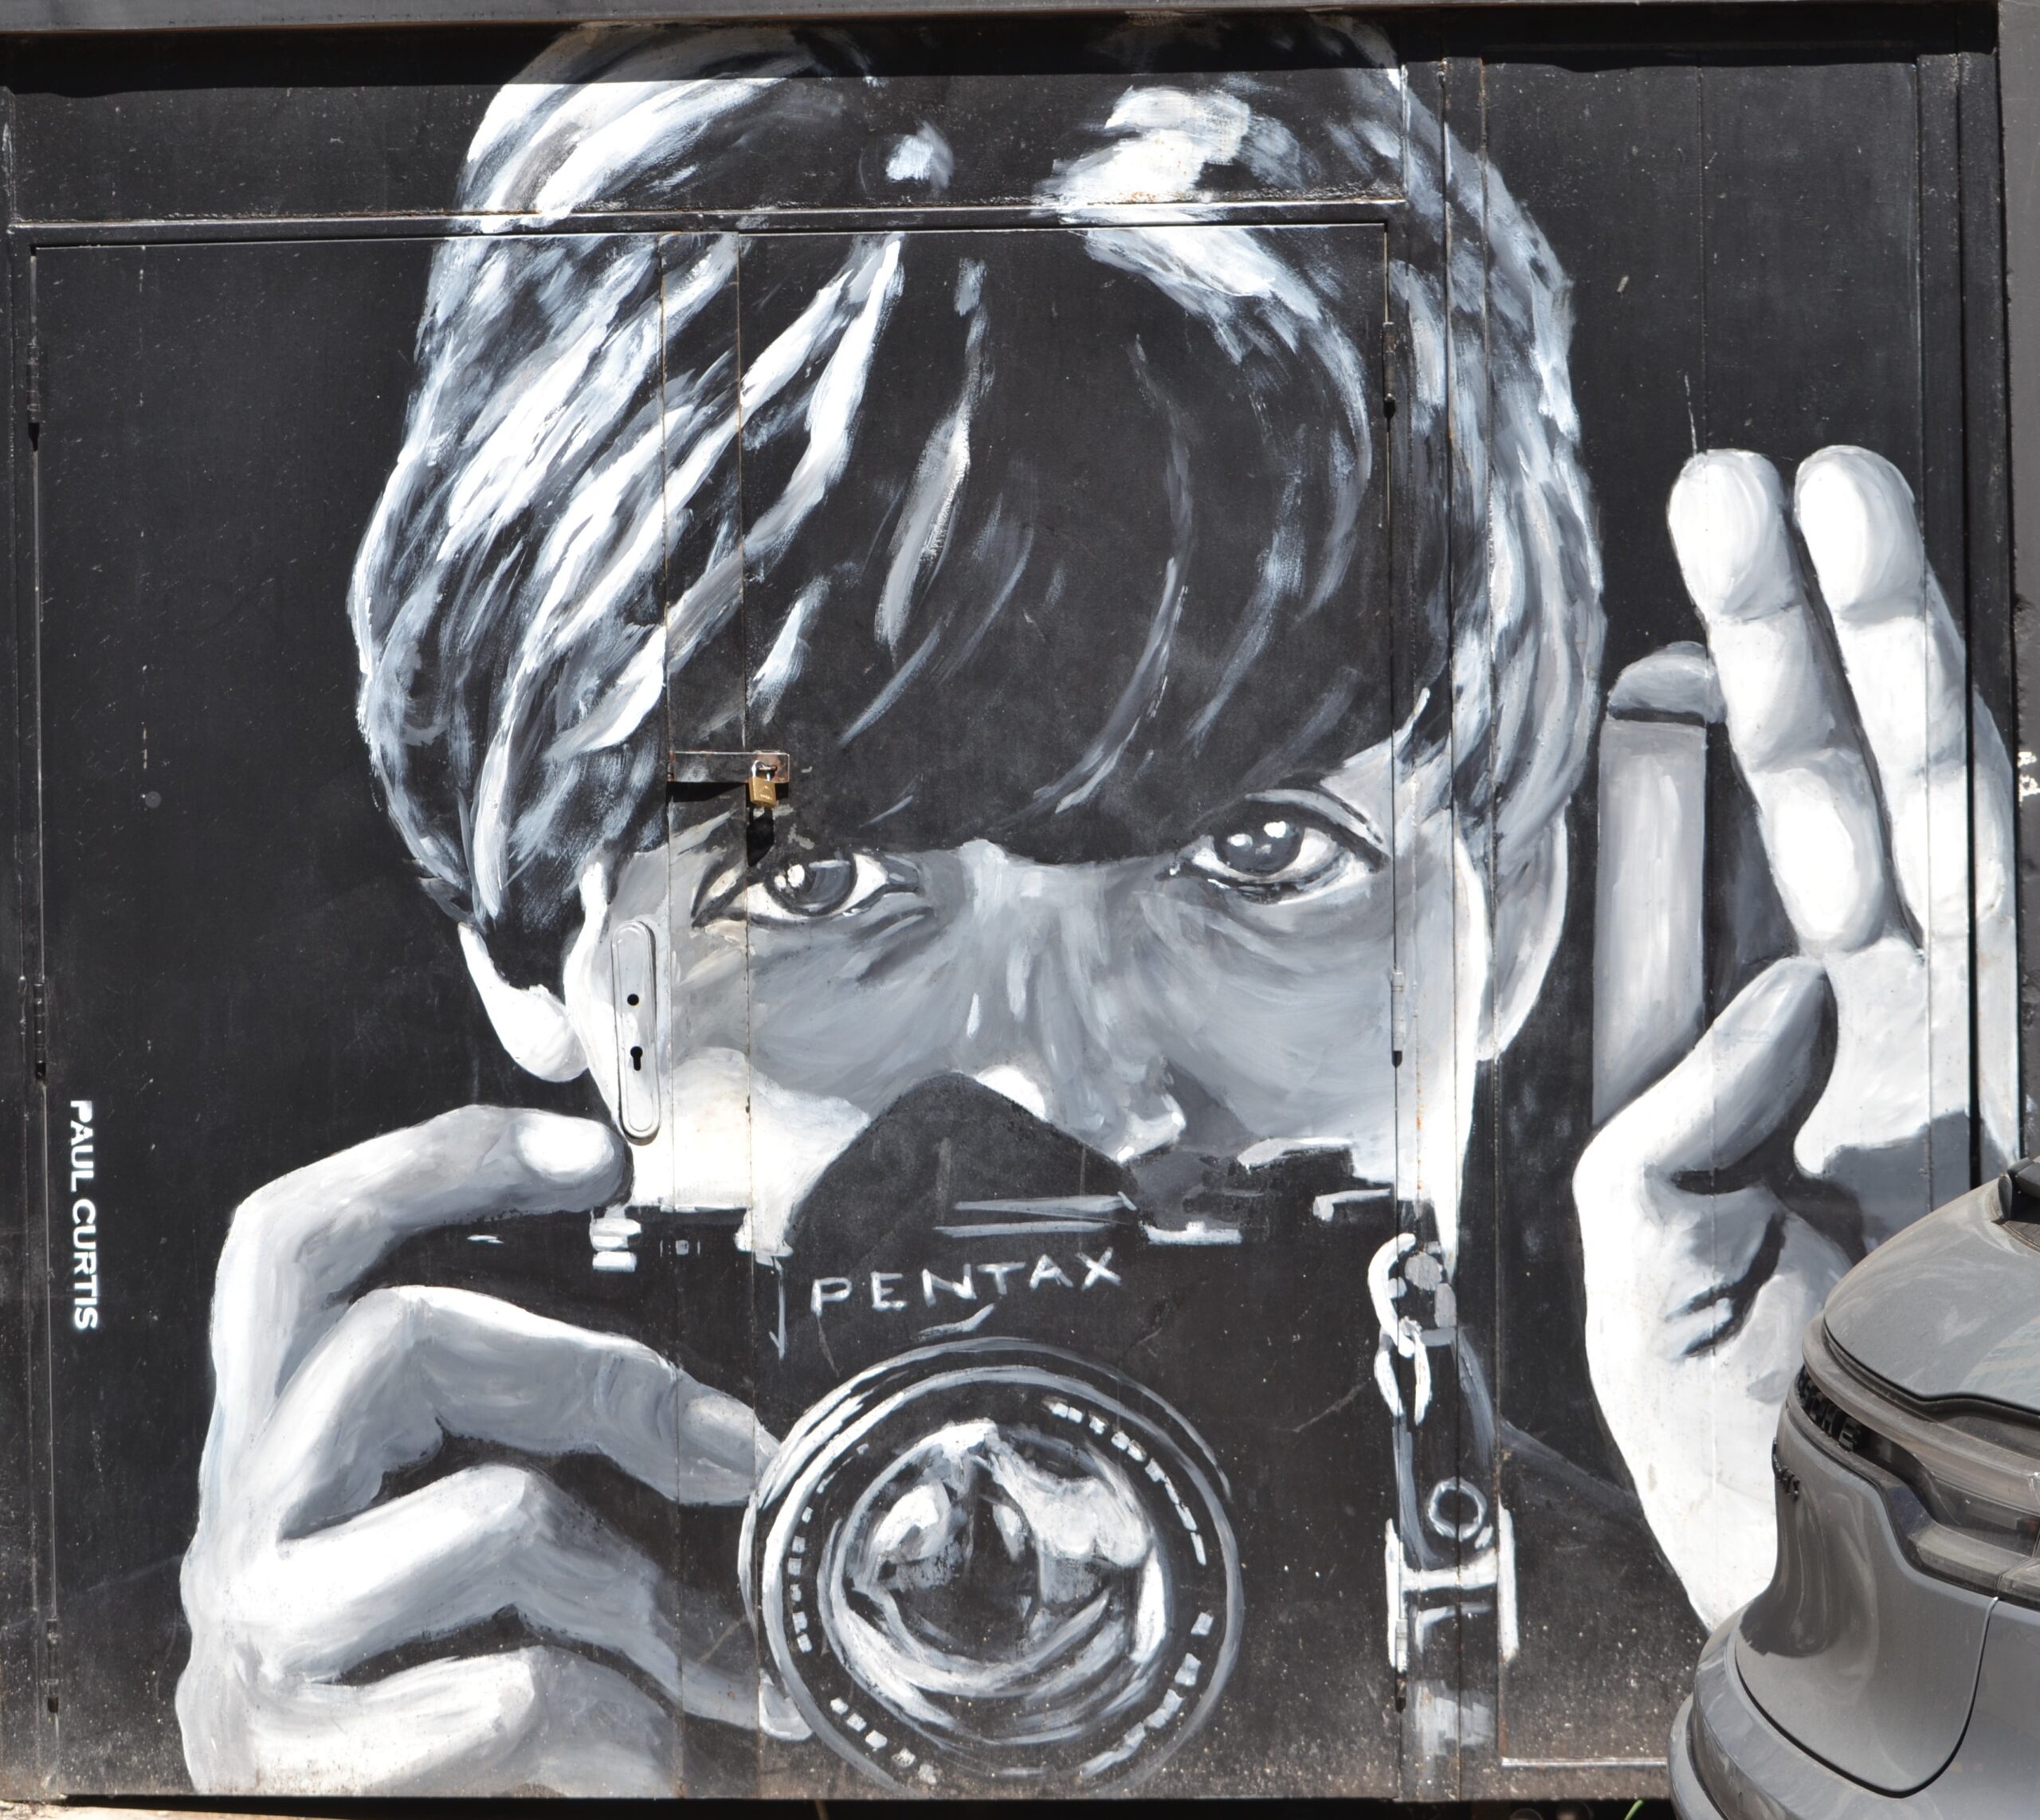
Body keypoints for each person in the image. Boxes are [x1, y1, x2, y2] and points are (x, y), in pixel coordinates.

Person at [173, 15, 2015, 1795]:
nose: (1056, 1096)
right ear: (539, 938)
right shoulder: (450, 1631)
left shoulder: (1717, 1616)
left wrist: (1882, 1642)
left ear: (1511, 913)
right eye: (807, 873)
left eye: (1259, 854)